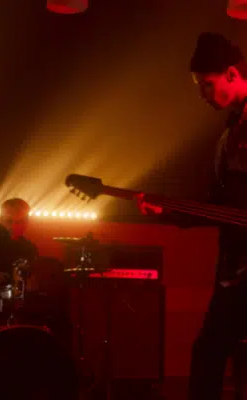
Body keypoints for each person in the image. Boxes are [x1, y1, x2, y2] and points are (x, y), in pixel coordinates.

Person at [138, 32, 247, 400]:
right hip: (235, 266)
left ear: (232, 73)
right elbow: (218, 205)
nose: (203, 93)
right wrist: (169, 211)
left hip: (239, 270)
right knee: (214, 352)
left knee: (211, 352)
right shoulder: (229, 133)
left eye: (207, 84)